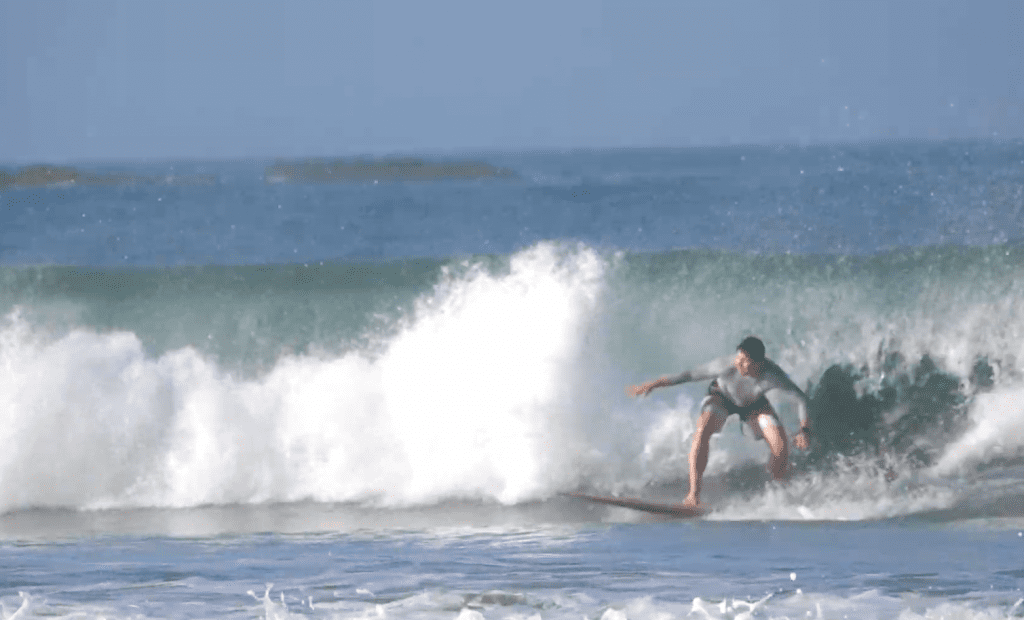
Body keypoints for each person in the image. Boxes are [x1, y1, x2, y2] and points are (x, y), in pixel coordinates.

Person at [627, 336, 812, 508]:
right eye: (738, 357)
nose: (738, 362)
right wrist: (653, 384)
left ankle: (777, 492)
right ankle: (693, 496)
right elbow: (688, 375)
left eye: (744, 361)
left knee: (780, 445)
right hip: (721, 397)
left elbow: (801, 399)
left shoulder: (772, 375)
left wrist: (804, 430)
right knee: (703, 429)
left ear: (758, 363)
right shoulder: (725, 366)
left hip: (754, 405)